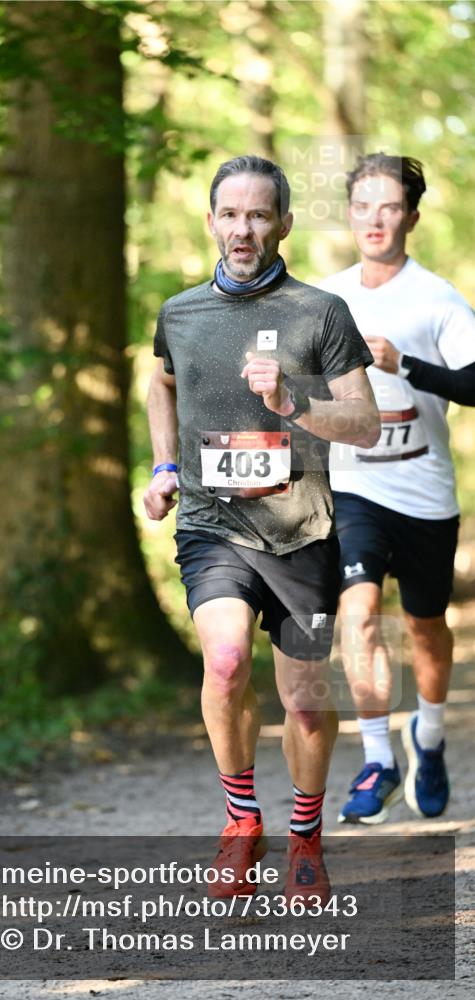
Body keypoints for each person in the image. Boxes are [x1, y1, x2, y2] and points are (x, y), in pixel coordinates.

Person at [143, 154, 379, 899]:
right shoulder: (180, 312)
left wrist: (294, 406)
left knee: (304, 696)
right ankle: (241, 822)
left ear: (281, 222)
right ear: (210, 220)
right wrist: (162, 469)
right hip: (213, 529)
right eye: (229, 214)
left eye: (256, 215)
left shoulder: (319, 313)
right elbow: (160, 381)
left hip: (303, 533)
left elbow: (366, 424)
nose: (241, 229)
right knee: (222, 664)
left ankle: (304, 836)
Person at [319, 153, 475, 825]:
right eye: (362, 206)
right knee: (356, 615)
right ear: (349, 214)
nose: (374, 219)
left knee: (424, 626)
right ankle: (378, 759)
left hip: (423, 493)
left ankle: (429, 738)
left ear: (410, 216)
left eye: (388, 207)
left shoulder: (436, 299)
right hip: (351, 486)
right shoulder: (323, 300)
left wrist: (403, 364)